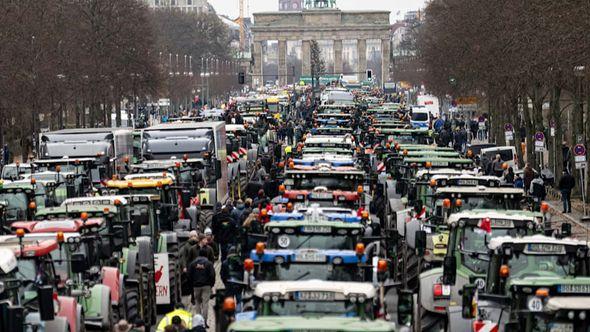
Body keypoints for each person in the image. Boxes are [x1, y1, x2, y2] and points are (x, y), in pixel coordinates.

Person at [189, 248, 215, 326]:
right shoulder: (209, 263)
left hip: (196, 286)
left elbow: (189, 275)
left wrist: (192, 284)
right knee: (205, 304)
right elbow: (212, 275)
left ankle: (198, 322)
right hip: (206, 286)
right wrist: (211, 285)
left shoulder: (193, 263)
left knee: (197, 303)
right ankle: (204, 322)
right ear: (206, 255)